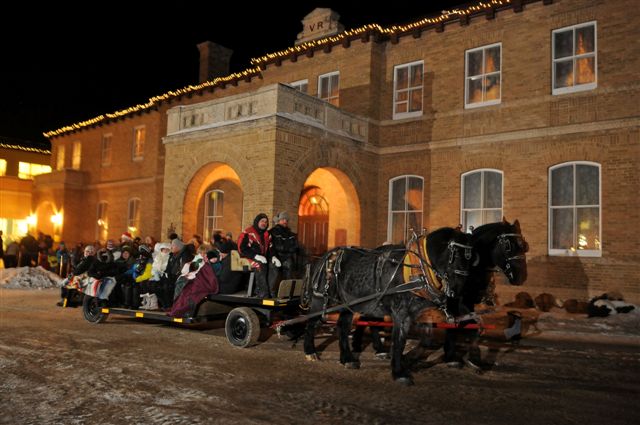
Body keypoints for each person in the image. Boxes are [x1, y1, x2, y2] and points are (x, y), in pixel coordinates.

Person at [238, 213, 279, 298]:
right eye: (262, 221)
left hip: (263, 258)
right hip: (246, 258)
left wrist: (274, 257)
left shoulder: (267, 234)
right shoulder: (248, 233)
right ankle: (262, 293)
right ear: (257, 222)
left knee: (274, 266)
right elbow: (241, 248)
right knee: (260, 265)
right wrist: (255, 256)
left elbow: (271, 247)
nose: (264, 223)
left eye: (266, 222)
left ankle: (271, 291)